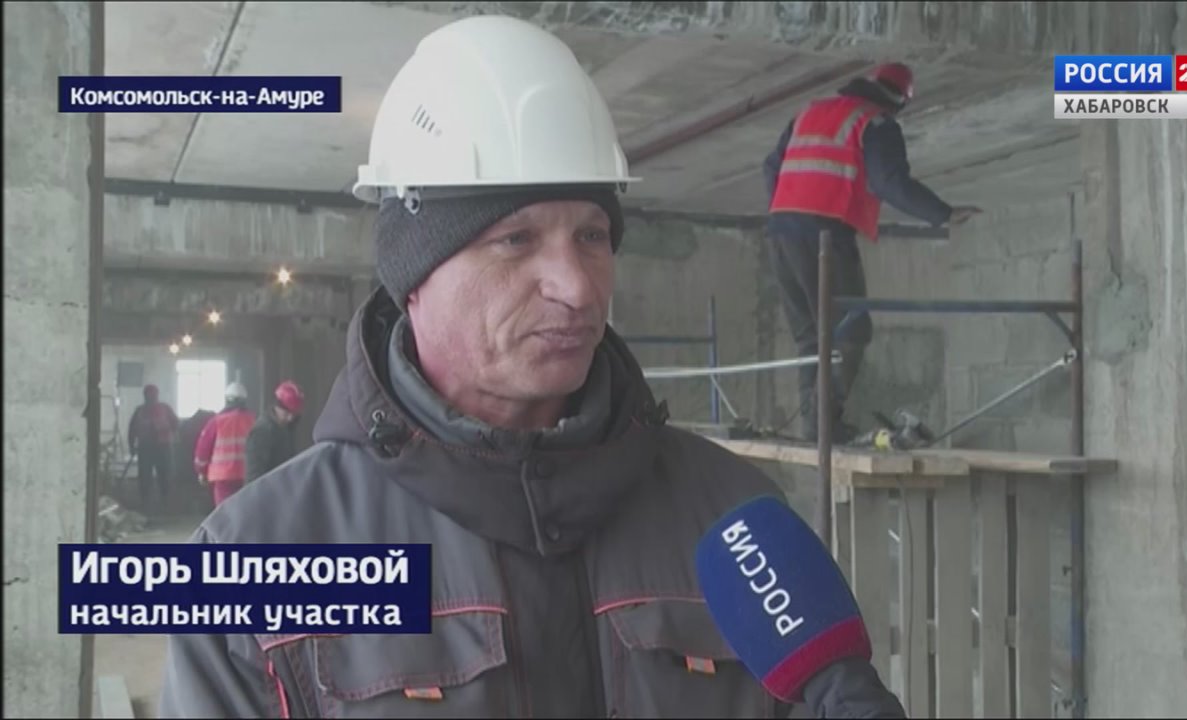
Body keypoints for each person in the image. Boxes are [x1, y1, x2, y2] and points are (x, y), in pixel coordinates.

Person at [160, 15, 903, 719]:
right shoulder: (255, 558)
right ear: (413, 275)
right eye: (515, 240)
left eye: (592, 236)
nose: (577, 287)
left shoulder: (733, 519)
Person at [764, 62, 983, 443]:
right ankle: (823, 423)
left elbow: (771, 167)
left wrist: (785, 210)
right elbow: (888, 181)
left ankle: (815, 427)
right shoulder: (876, 122)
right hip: (825, 235)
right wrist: (942, 214)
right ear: (899, 101)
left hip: (781, 233)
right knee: (851, 330)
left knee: (811, 337)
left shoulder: (810, 112)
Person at [191, 382, 256, 508]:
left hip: (223, 478)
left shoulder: (216, 421)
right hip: (247, 475)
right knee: (244, 511)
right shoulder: (253, 420)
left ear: (227, 399)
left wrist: (201, 471)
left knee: (225, 513)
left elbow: (203, 450)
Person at [126, 384, 178, 512]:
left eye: (153, 395)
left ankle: (166, 502)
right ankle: (145, 502)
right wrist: (131, 446)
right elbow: (132, 430)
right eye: (148, 395)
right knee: (145, 476)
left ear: (157, 396)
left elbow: (176, 424)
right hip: (146, 448)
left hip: (163, 447)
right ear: (145, 396)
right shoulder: (139, 411)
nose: (151, 398)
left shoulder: (165, 409)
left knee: (164, 475)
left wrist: (172, 437)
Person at [243, 380, 304, 483]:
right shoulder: (262, 431)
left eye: (294, 414)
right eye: (286, 413)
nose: (290, 418)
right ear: (276, 406)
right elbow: (254, 474)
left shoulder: (287, 428)